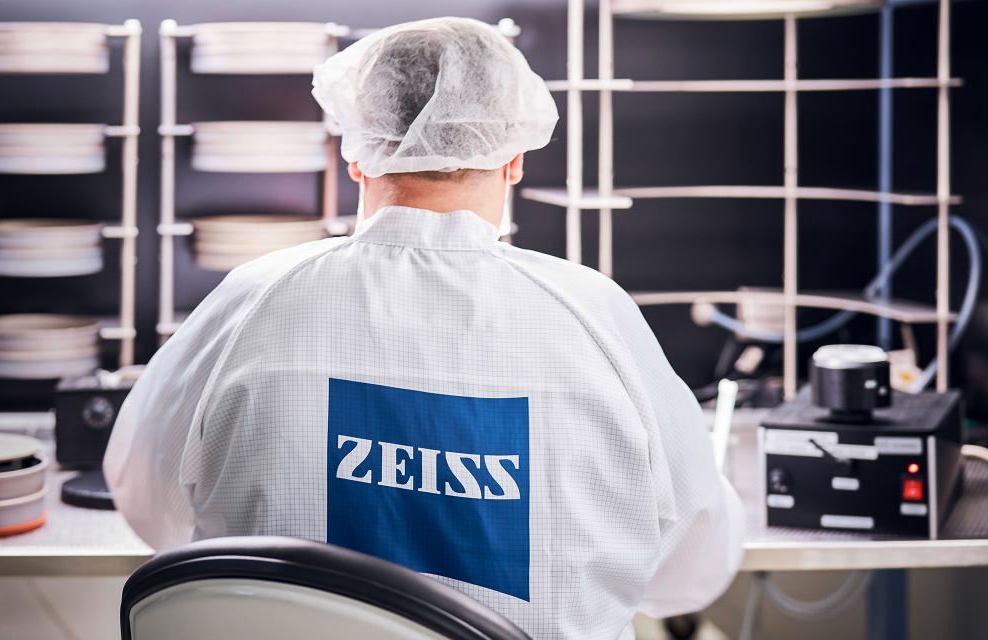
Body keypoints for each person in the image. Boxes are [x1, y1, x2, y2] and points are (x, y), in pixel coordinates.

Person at [104, 16, 744, 639]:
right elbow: (691, 569)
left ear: (356, 155)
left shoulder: (255, 300)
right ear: (515, 159)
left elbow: (144, 496)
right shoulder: (594, 317)